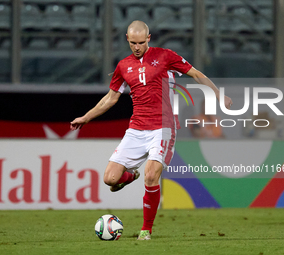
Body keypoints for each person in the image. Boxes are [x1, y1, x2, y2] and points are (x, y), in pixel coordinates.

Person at [70, 20, 233, 240]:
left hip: (163, 127)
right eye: (133, 43)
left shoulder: (166, 56)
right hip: (137, 129)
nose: (137, 47)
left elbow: (196, 74)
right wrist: (86, 117)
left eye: (141, 42)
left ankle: (146, 229)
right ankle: (130, 176)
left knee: (151, 174)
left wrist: (218, 94)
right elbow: (111, 98)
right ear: (127, 39)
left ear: (149, 38)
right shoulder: (123, 66)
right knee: (110, 178)